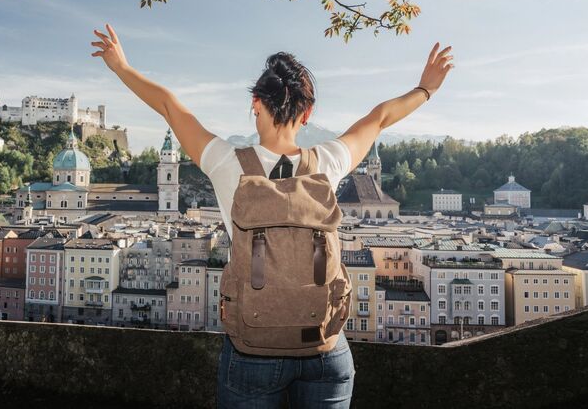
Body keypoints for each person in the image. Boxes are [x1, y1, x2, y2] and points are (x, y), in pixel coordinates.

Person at [90, 24, 454, 408]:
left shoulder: (227, 163)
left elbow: (169, 105)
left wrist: (121, 67)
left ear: (256, 104)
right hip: (323, 347)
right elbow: (378, 118)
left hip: (253, 348)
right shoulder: (326, 162)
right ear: (307, 113)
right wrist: (425, 89)